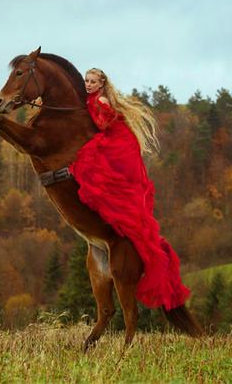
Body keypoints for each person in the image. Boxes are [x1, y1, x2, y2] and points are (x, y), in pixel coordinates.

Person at [68, 68, 190, 310]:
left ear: (102, 84)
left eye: (93, 81)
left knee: (90, 165)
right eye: (86, 81)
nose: (88, 84)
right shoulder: (90, 98)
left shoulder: (101, 101)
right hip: (115, 140)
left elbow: (103, 124)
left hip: (118, 142)